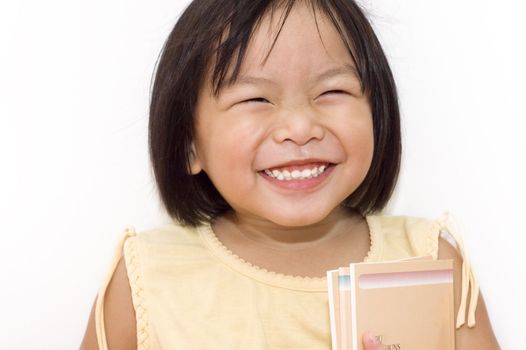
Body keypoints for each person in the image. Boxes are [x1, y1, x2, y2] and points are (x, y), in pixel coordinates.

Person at [81, 0, 500, 349]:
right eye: (256, 98)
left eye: (332, 91)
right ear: (190, 143)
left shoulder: (429, 260)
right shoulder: (148, 277)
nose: (300, 128)